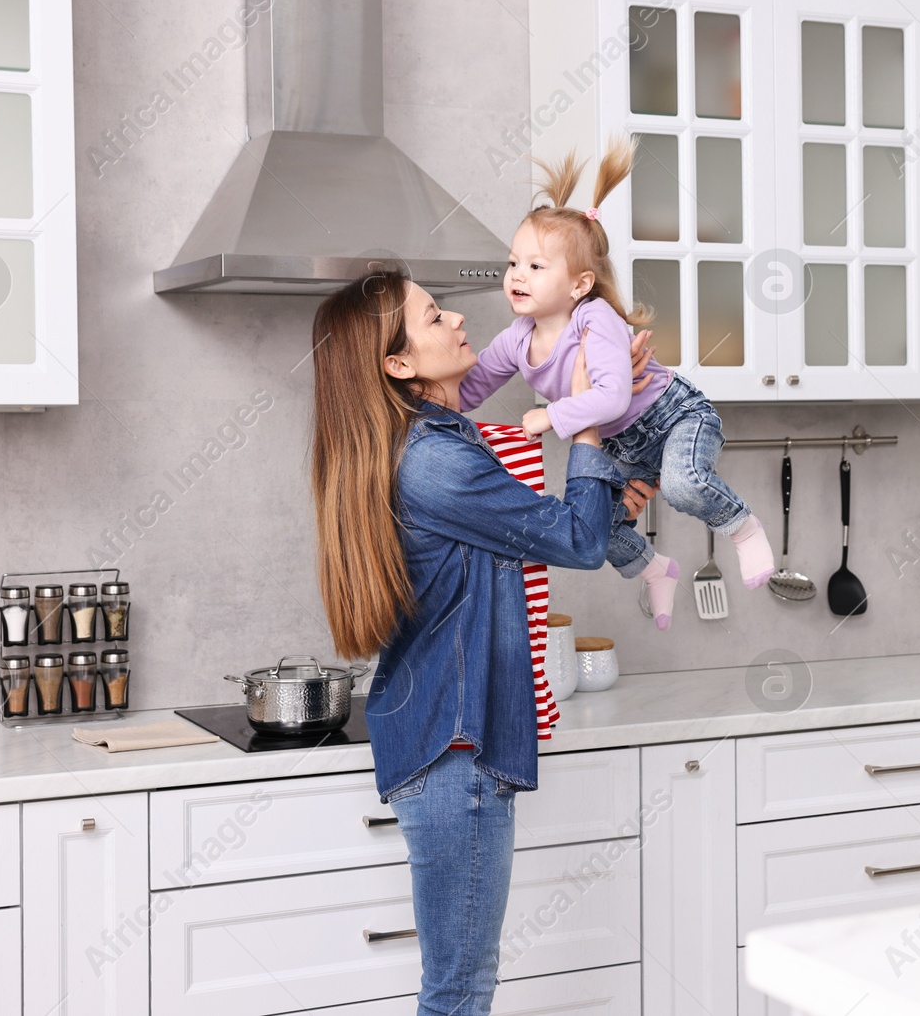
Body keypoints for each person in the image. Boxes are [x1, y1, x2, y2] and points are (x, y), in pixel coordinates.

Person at [309, 269, 652, 1016]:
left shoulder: (429, 443)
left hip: (443, 745)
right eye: (434, 316)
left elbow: (552, 532)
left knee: (460, 987)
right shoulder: (434, 460)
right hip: (454, 755)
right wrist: (590, 419)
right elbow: (574, 540)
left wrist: (608, 478)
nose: (459, 318)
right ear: (398, 363)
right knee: (460, 993)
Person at [458, 138, 774, 631]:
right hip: (626, 445)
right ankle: (654, 568)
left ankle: (742, 526)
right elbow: (468, 389)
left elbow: (613, 396)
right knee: (592, 533)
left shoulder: (595, 318)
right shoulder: (517, 339)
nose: (517, 276)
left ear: (580, 284)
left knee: (684, 488)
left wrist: (553, 415)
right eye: (514, 263)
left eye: (536, 267)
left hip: (673, 417)